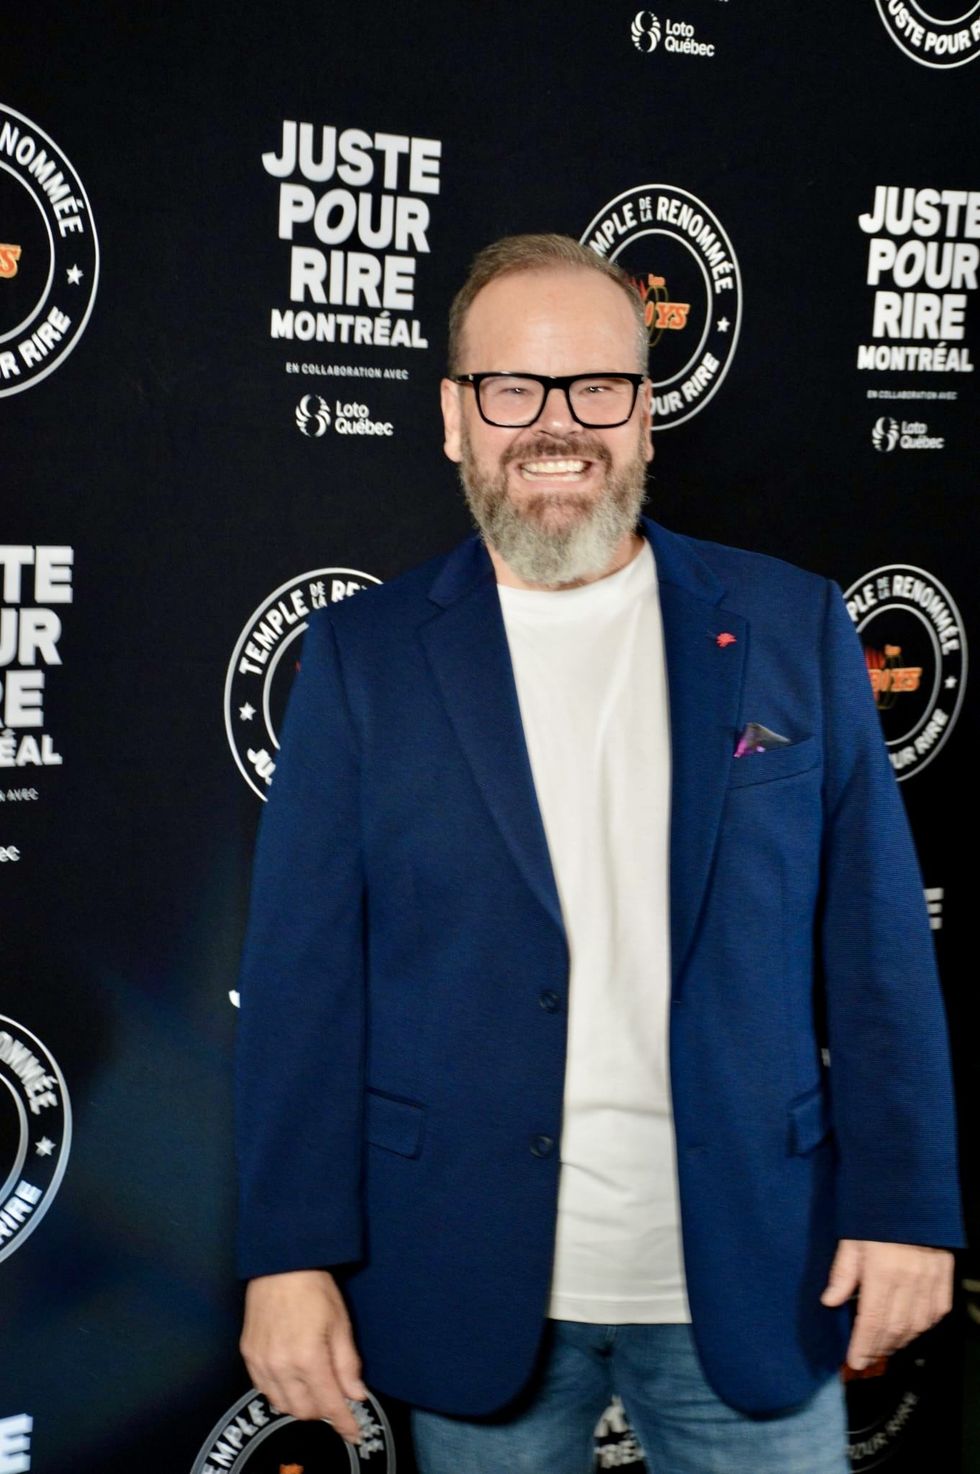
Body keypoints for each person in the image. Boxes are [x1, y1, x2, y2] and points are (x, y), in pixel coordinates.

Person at [234, 234, 962, 1474]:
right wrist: (283, 1255)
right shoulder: (362, 657)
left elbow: (878, 951)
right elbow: (304, 986)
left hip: (754, 1259)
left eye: (597, 389)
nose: (554, 426)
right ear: (456, 418)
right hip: (464, 1267)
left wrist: (905, 1208)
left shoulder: (791, 624)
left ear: (645, 415)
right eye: (512, 390)